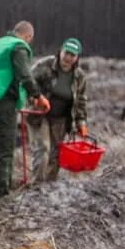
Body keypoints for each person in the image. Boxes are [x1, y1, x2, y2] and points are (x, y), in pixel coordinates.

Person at [0, 21, 49, 200]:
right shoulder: (19, 48)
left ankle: (1, 188)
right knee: (5, 150)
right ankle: (0, 195)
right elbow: (24, 75)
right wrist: (37, 96)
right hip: (5, 102)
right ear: (28, 37)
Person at [28, 37, 89, 181]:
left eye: (72, 55)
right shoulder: (45, 65)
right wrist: (35, 98)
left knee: (56, 153)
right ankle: (36, 186)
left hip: (61, 119)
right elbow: (28, 82)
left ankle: (49, 187)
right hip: (39, 114)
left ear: (77, 57)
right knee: (43, 149)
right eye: (66, 53)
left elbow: (81, 101)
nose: (68, 58)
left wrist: (81, 122)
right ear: (60, 51)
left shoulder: (79, 77)